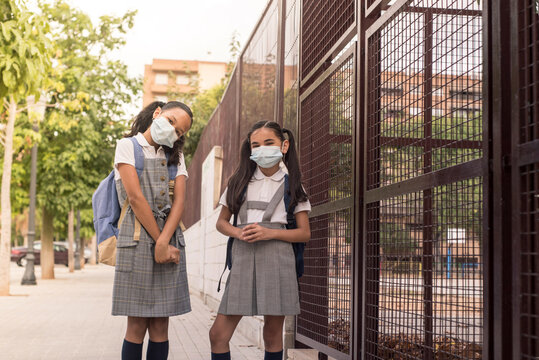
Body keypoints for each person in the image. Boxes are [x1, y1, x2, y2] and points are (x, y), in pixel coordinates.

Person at [209, 121, 311, 360]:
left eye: (269, 143)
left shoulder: (293, 186)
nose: (262, 149)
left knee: (272, 335)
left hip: (279, 261)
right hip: (243, 260)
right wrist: (238, 233)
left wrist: (270, 233)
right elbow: (221, 223)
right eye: (256, 145)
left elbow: (304, 233)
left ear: (284, 146)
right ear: (250, 149)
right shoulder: (238, 182)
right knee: (218, 334)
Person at [112, 101, 193, 360]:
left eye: (179, 132)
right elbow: (135, 198)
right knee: (136, 325)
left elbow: (179, 202)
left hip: (170, 240)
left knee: (160, 325)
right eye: (171, 122)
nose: (173, 132)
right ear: (157, 113)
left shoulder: (175, 157)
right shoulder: (128, 147)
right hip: (136, 241)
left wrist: (165, 241)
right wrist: (160, 242)